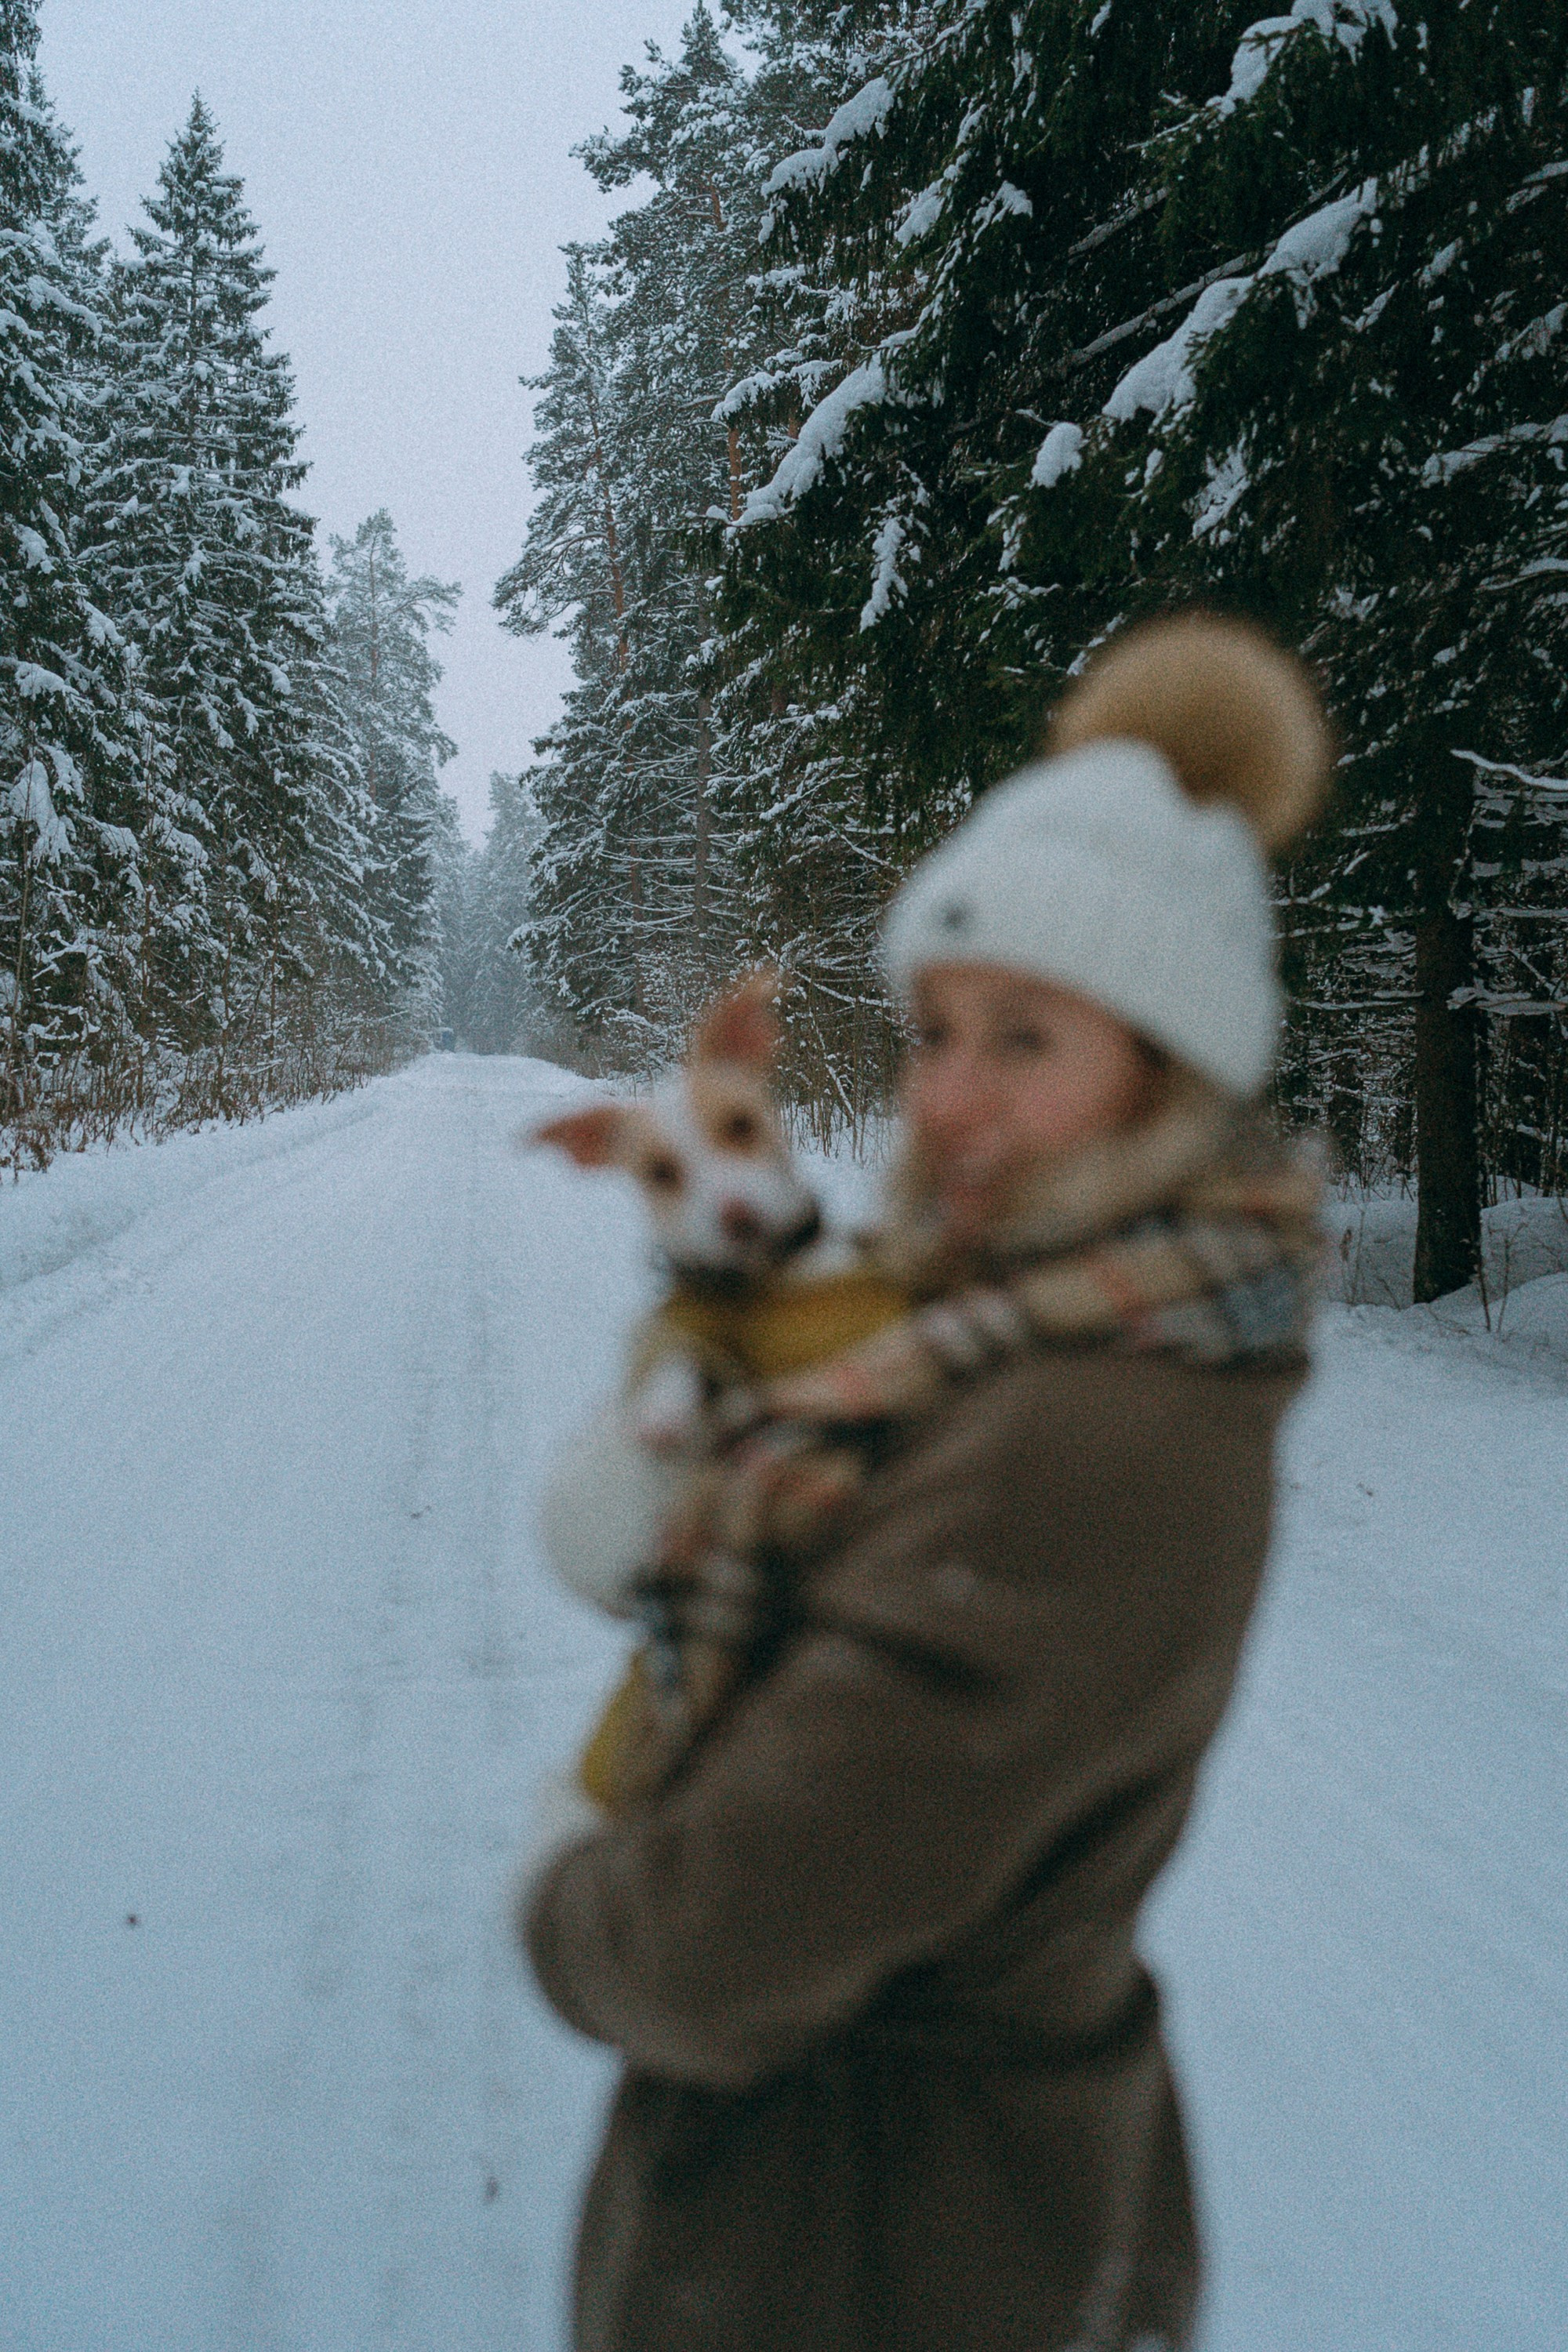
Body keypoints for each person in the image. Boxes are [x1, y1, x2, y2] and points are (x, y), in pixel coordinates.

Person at [520, 612, 1330, 2352]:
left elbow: (717, 1937)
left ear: (1162, 1077)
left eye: (1023, 1040)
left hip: (874, 2231)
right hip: (954, 2194)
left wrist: (568, 1898)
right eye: (932, 1029)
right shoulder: (1010, 1340)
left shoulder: (1091, 1429)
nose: (947, 1098)